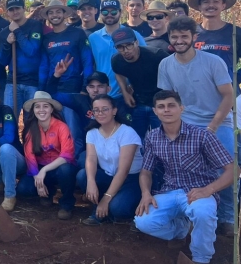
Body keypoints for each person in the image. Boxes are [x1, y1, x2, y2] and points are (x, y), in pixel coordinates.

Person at [157, 15, 236, 236]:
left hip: (218, 121)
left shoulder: (213, 62)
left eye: (184, 36)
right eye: (175, 37)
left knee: (226, 168)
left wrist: (212, 127)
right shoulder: (166, 64)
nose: (179, 41)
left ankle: (228, 216)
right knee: (182, 169)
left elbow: (228, 96)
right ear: (169, 38)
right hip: (186, 122)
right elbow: (169, 99)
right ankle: (188, 215)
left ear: (194, 37)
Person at [134, 90, 234, 264]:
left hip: (199, 191)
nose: (166, 110)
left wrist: (208, 190)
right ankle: (181, 230)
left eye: (171, 105)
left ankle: (201, 259)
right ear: (155, 111)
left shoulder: (202, 135)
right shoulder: (152, 137)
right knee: (143, 221)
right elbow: (146, 171)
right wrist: (145, 193)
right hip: (169, 191)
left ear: (181, 108)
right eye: (161, 107)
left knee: (203, 213)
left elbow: (233, 170)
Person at [76, 94, 142, 225]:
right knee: (83, 176)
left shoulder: (127, 133)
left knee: (118, 208)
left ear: (114, 111)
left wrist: (106, 199)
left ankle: (110, 207)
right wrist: (91, 182)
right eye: (96, 110)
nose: (100, 113)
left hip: (131, 179)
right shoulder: (92, 132)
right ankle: (99, 209)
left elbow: (123, 171)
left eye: (105, 109)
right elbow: (91, 159)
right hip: (109, 175)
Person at [15, 91, 78, 220]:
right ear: (33, 110)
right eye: (37, 107)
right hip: (40, 167)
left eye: (45, 106)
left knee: (66, 170)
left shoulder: (62, 127)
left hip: (58, 167)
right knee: (24, 189)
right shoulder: (31, 129)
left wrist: (44, 170)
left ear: (51, 109)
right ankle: (48, 192)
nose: (41, 110)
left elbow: (67, 155)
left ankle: (66, 204)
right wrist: (37, 178)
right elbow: (30, 156)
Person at [48, 56, 115, 159]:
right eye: (92, 87)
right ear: (87, 89)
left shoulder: (116, 105)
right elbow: (52, 95)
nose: (95, 90)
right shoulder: (80, 100)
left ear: (108, 89)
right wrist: (57, 75)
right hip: (89, 149)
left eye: (100, 86)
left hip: (112, 148)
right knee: (82, 163)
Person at [111, 27, 169, 140]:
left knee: (163, 138)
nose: (125, 50)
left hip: (160, 103)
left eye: (129, 45)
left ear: (136, 42)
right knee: (136, 138)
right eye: (120, 47)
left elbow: (174, 71)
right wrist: (125, 93)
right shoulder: (117, 60)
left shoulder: (156, 55)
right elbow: (118, 73)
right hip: (138, 103)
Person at [88, 0, 147, 99]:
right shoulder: (93, 38)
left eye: (113, 12)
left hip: (127, 93)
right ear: (100, 14)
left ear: (120, 12)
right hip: (102, 94)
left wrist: (134, 84)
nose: (109, 15)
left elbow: (145, 60)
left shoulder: (133, 34)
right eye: (105, 12)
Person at [0, 0, 42, 120]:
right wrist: (7, 44)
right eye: (11, 9)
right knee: (9, 119)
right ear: (7, 12)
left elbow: (31, 51)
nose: (15, 12)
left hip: (32, 82)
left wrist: (17, 31)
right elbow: (2, 61)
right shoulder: (4, 32)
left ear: (24, 8)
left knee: (32, 121)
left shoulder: (35, 26)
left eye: (17, 8)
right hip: (12, 82)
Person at [189, 0, 241, 89]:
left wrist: (234, 78)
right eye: (206, 2)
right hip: (198, 91)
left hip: (229, 92)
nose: (211, 5)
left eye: (216, 1)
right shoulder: (190, 33)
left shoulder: (236, 32)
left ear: (223, 5)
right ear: (199, 7)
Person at [38, 0, 93, 93]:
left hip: (74, 86)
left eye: (58, 12)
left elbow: (87, 61)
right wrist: (41, 90)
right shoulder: (46, 38)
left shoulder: (78, 33)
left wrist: (85, 88)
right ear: (47, 17)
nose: (55, 15)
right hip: (52, 86)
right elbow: (44, 66)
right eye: (51, 13)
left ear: (64, 14)